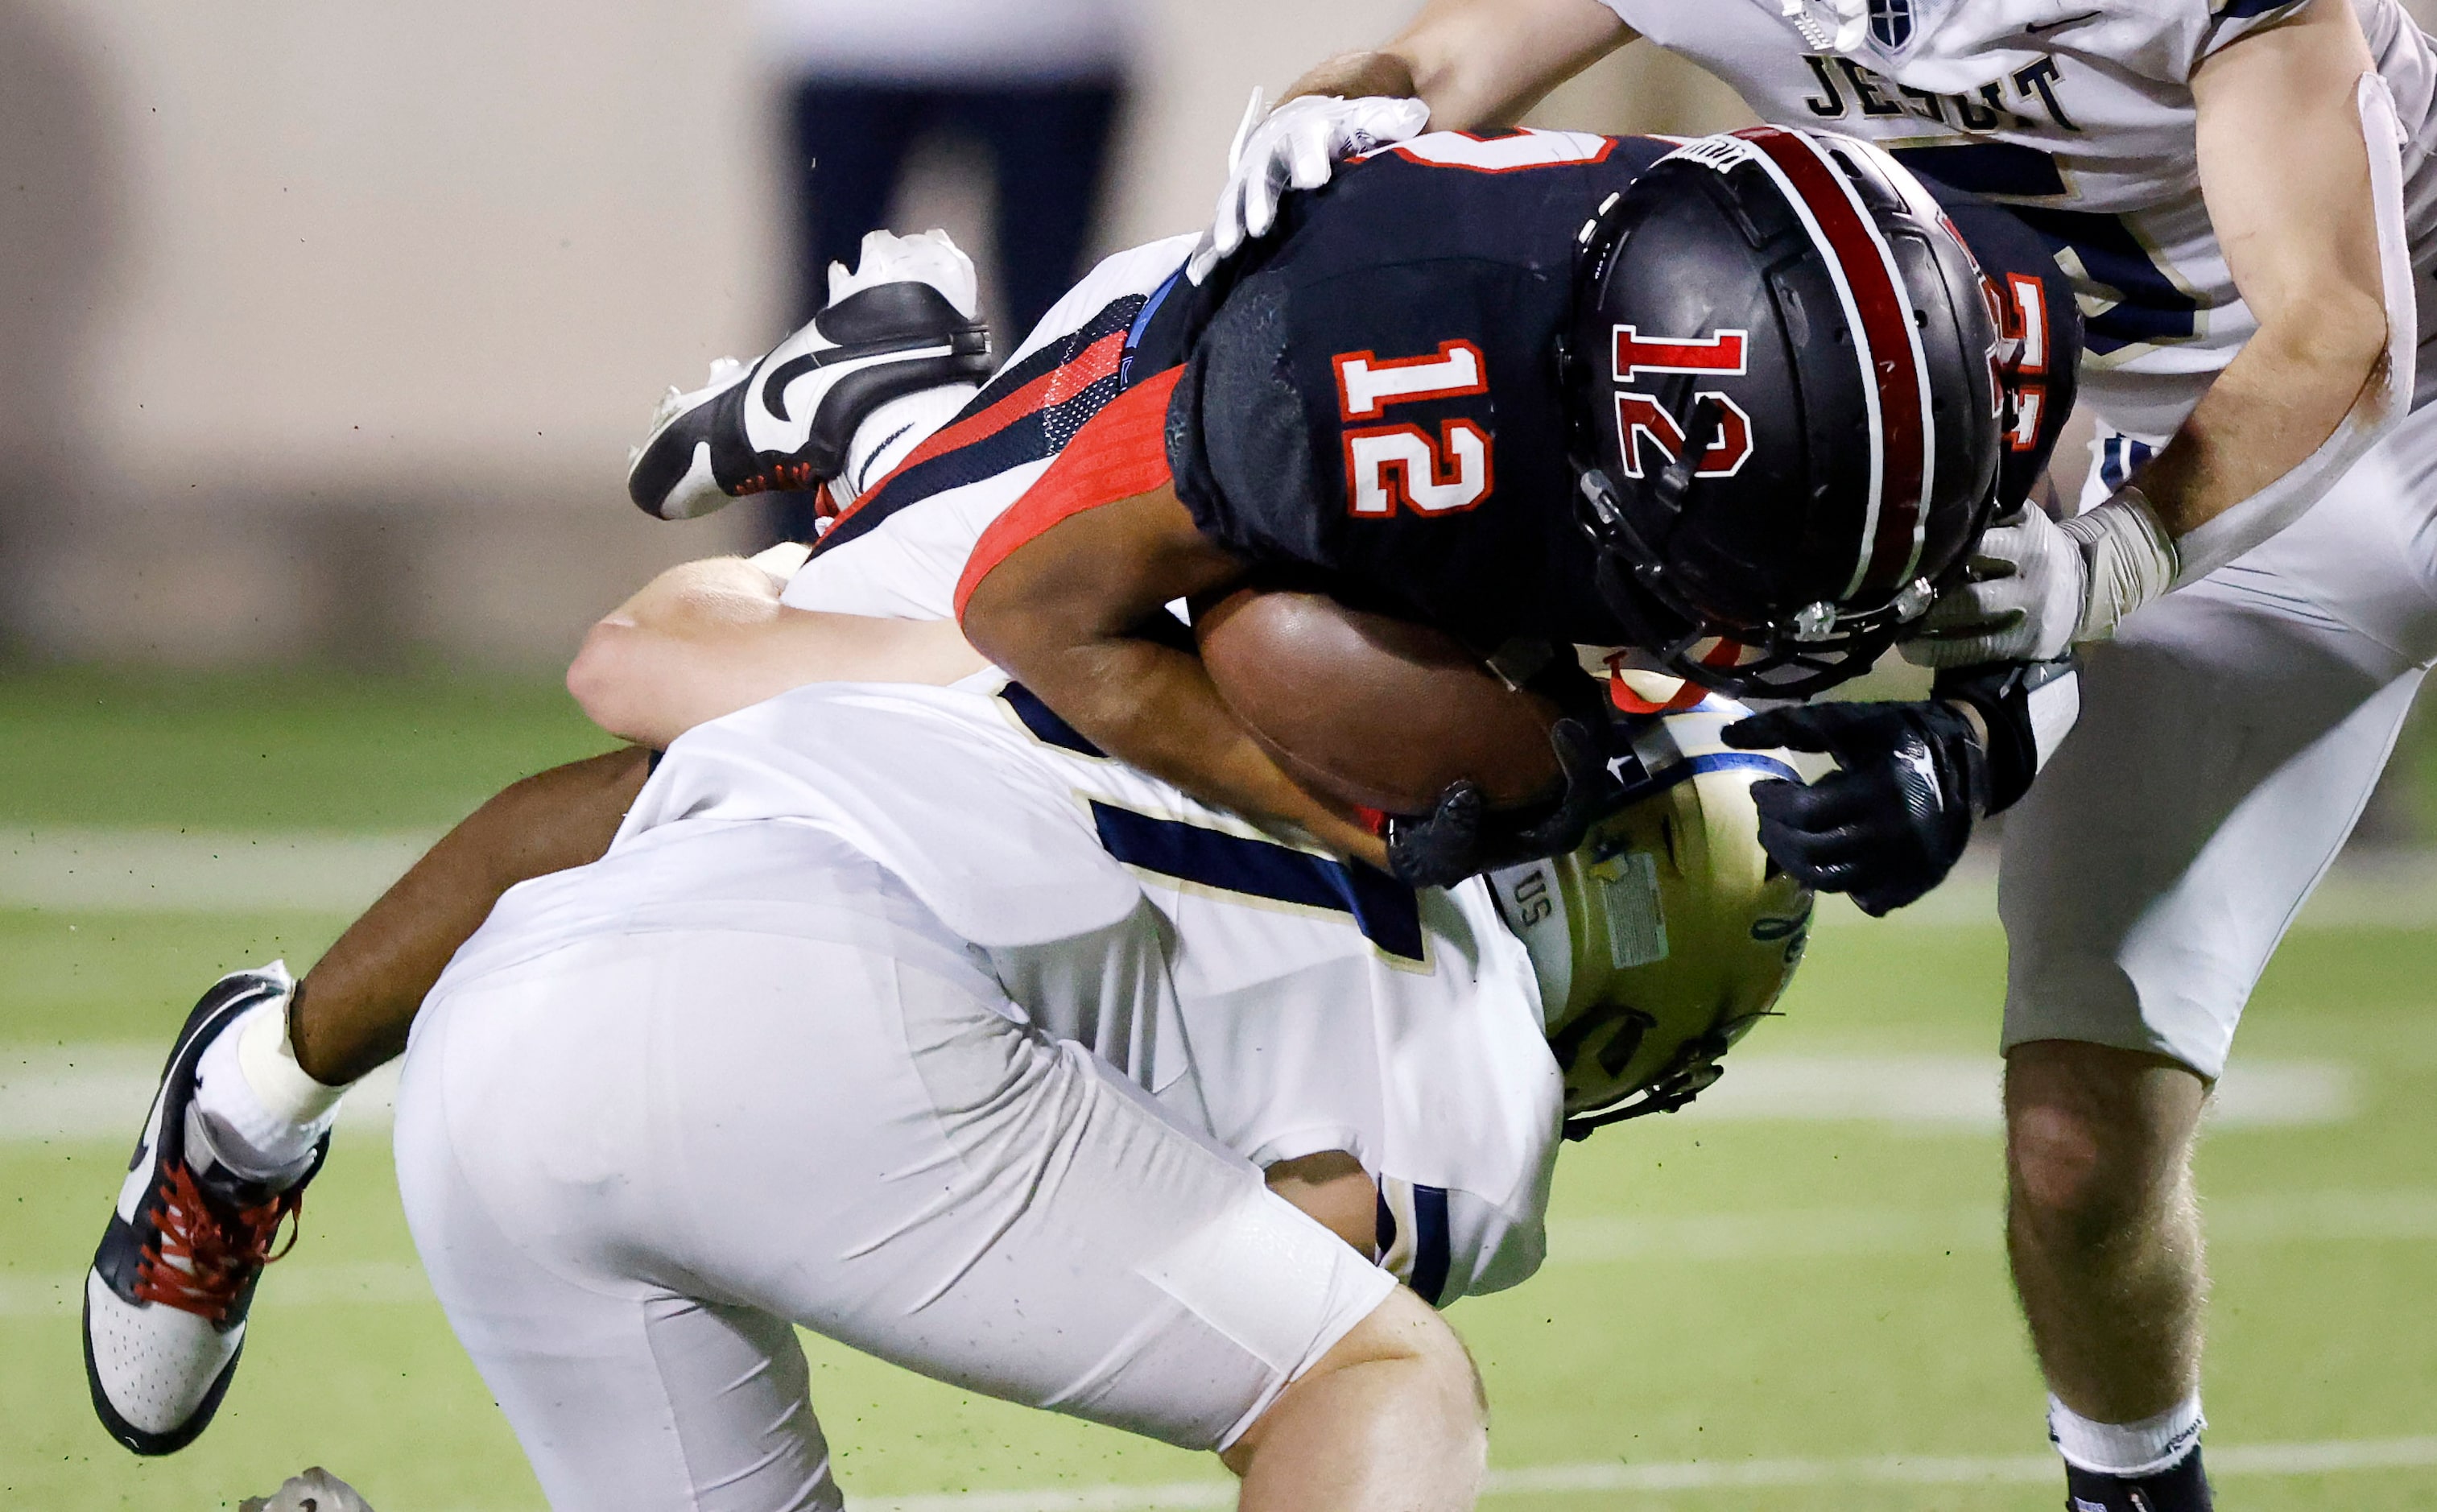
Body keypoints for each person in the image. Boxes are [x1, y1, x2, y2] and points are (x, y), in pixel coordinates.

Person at [82, 134, 2072, 1454]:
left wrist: (1982, 740)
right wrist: (1339, 813)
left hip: (568, 1053)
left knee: (714, 750)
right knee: (690, 685)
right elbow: (1289, 1254)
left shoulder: (1937, 353)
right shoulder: (1362, 431)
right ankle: (896, 421)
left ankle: (878, 413)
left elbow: (2132, 554)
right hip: (1170, 417)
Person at [1183, 1, 2429, 1507]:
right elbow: (1434, 64)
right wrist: (1336, 110)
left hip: (2340, 419)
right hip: (2134, 458)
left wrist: (2103, 567)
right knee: (2076, 1146)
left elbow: (2338, 332)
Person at [387, 619, 1807, 1509]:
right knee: (1384, 1382)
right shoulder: (1488, 1061)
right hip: (828, 1004)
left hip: (497, 1024)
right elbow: (1255, 1296)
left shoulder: (1167, 648)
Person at [754, 0, 1136, 545]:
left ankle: (1074, 552)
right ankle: (791, 560)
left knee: (1060, 325)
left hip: (1057, 39)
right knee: (826, 319)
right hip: (849, 38)